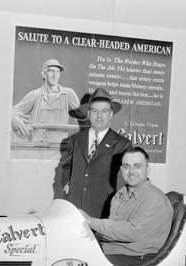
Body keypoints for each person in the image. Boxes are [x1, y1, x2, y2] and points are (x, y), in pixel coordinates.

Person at [78, 146, 173, 266]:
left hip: (137, 257)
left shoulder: (155, 199)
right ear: (121, 169)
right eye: (126, 166)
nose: (131, 171)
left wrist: (91, 222)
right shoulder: (122, 193)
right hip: (113, 248)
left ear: (148, 169)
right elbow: (114, 224)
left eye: (137, 166)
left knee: (81, 263)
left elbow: (132, 232)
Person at [54, 87, 132, 218]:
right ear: (89, 114)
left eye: (104, 111)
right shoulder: (75, 140)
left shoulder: (123, 145)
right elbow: (67, 167)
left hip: (104, 214)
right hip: (74, 212)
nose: (99, 116)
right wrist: (66, 183)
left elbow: (127, 181)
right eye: (95, 111)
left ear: (111, 114)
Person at [11, 59, 82, 146]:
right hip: (39, 147)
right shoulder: (35, 95)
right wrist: (14, 118)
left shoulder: (68, 94)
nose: (54, 75)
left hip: (60, 147)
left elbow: (82, 118)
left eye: (57, 72)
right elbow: (15, 110)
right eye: (51, 71)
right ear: (44, 74)